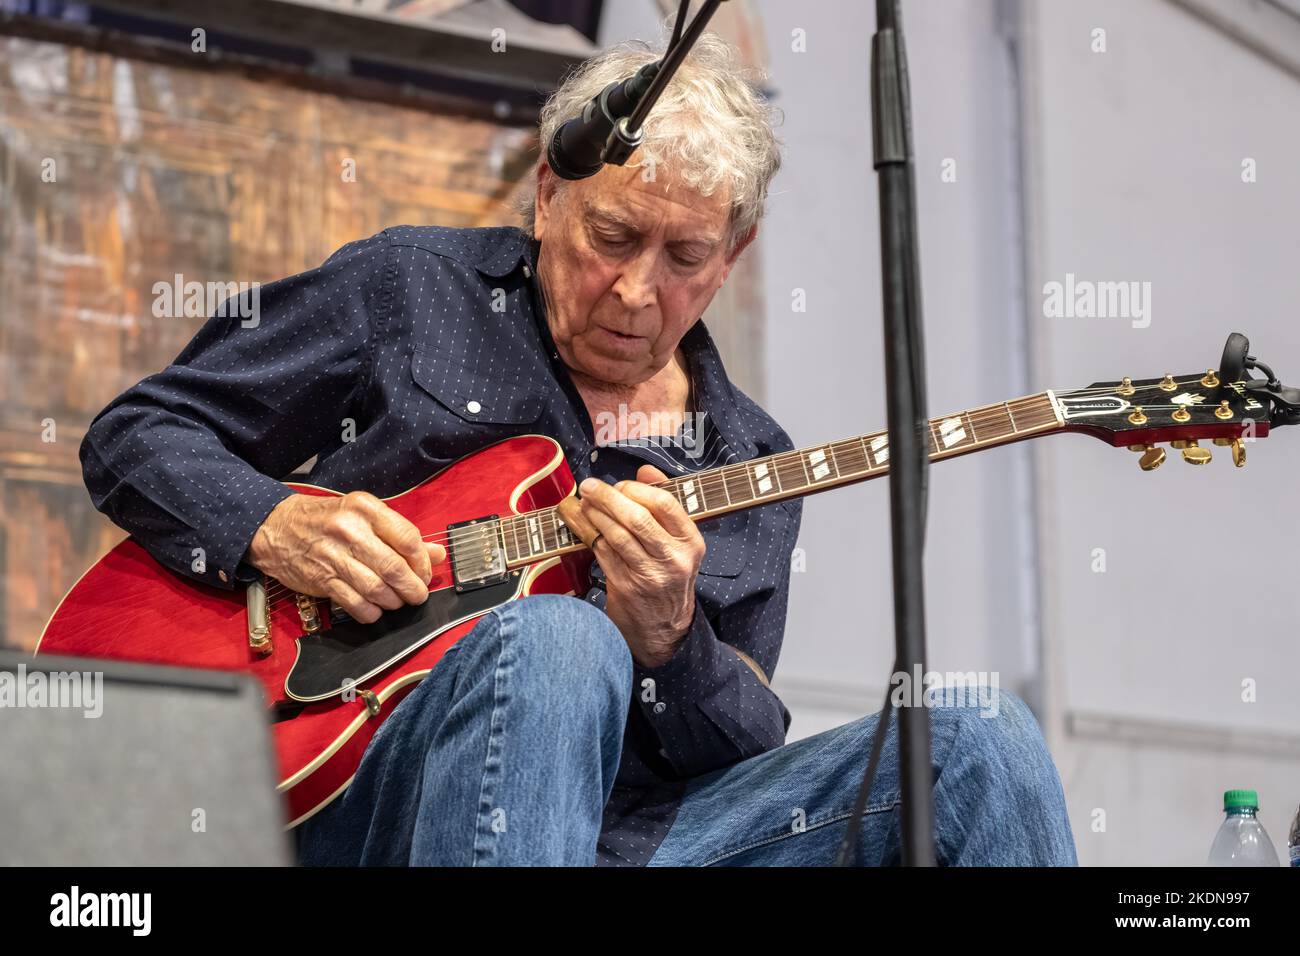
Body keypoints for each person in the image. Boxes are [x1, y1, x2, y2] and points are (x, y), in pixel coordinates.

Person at [80, 34, 1076, 866]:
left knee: (980, 743)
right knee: (564, 639)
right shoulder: (411, 290)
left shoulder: (743, 451)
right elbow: (135, 436)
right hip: (364, 788)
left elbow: (736, 745)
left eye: (684, 257)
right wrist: (273, 524)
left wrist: (670, 635)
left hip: (639, 836)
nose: (636, 291)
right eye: (610, 234)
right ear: (548, 191)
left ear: (733, 253)